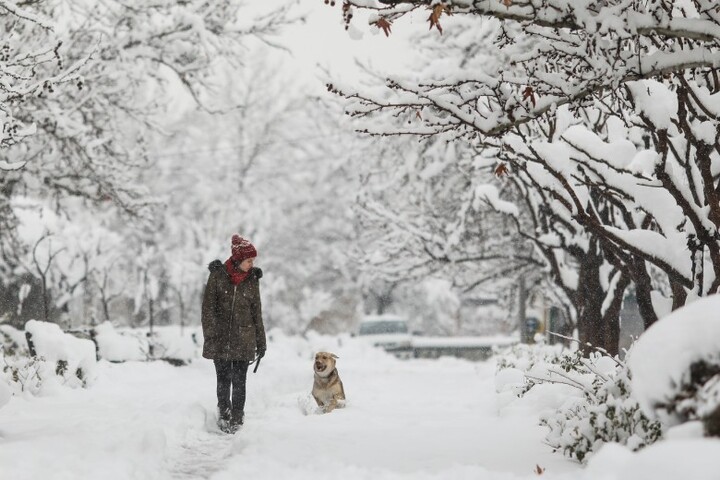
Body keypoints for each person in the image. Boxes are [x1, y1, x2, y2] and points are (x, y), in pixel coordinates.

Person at [201, 234, 266, 433]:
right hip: (220, 339)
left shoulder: (252, 280)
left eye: (252, 260)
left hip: (244, 339)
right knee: (223, 379)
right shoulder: (218, 276)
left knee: (239, 381)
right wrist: (211, 333)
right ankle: (224, 413)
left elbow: (257, 312)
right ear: (238, 260)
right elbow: (208, 309)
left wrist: (261, 342)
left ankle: (237, 416)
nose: (251, 263)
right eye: (248, 260)